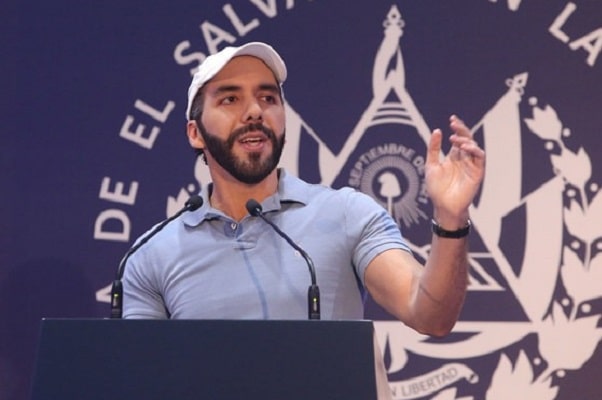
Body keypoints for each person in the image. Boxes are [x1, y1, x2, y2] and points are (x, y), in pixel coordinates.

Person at [122, 42, 485, 337]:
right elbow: (139, 374)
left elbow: (430, 316)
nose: (254, 112)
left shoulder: (346, 214)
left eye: (268, 98)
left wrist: (450, 218)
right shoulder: (151, 254)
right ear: (195, 133)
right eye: (230, 99)